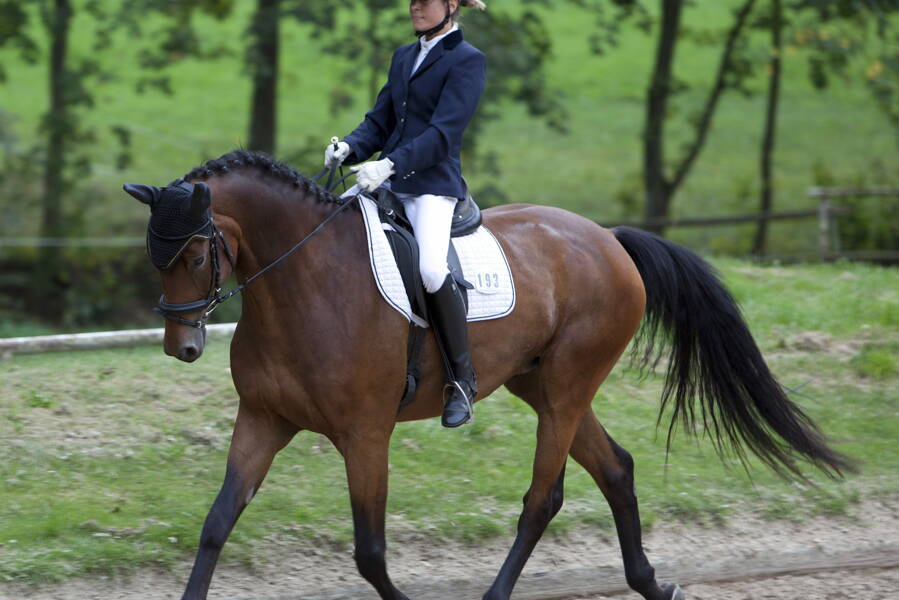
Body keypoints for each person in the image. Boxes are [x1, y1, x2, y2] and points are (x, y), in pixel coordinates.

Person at [325, 0, 487, 428]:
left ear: (451, 6)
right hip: (385, 181)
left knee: (432, 269)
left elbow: (443, 133)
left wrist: (388, 164)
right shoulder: (404, 55)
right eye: (412, 1)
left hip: (430, 187)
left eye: (426, 0)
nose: (415, 7)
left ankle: (462, 380)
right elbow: (379, 121)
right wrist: (350, 148)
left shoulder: (468, 62)